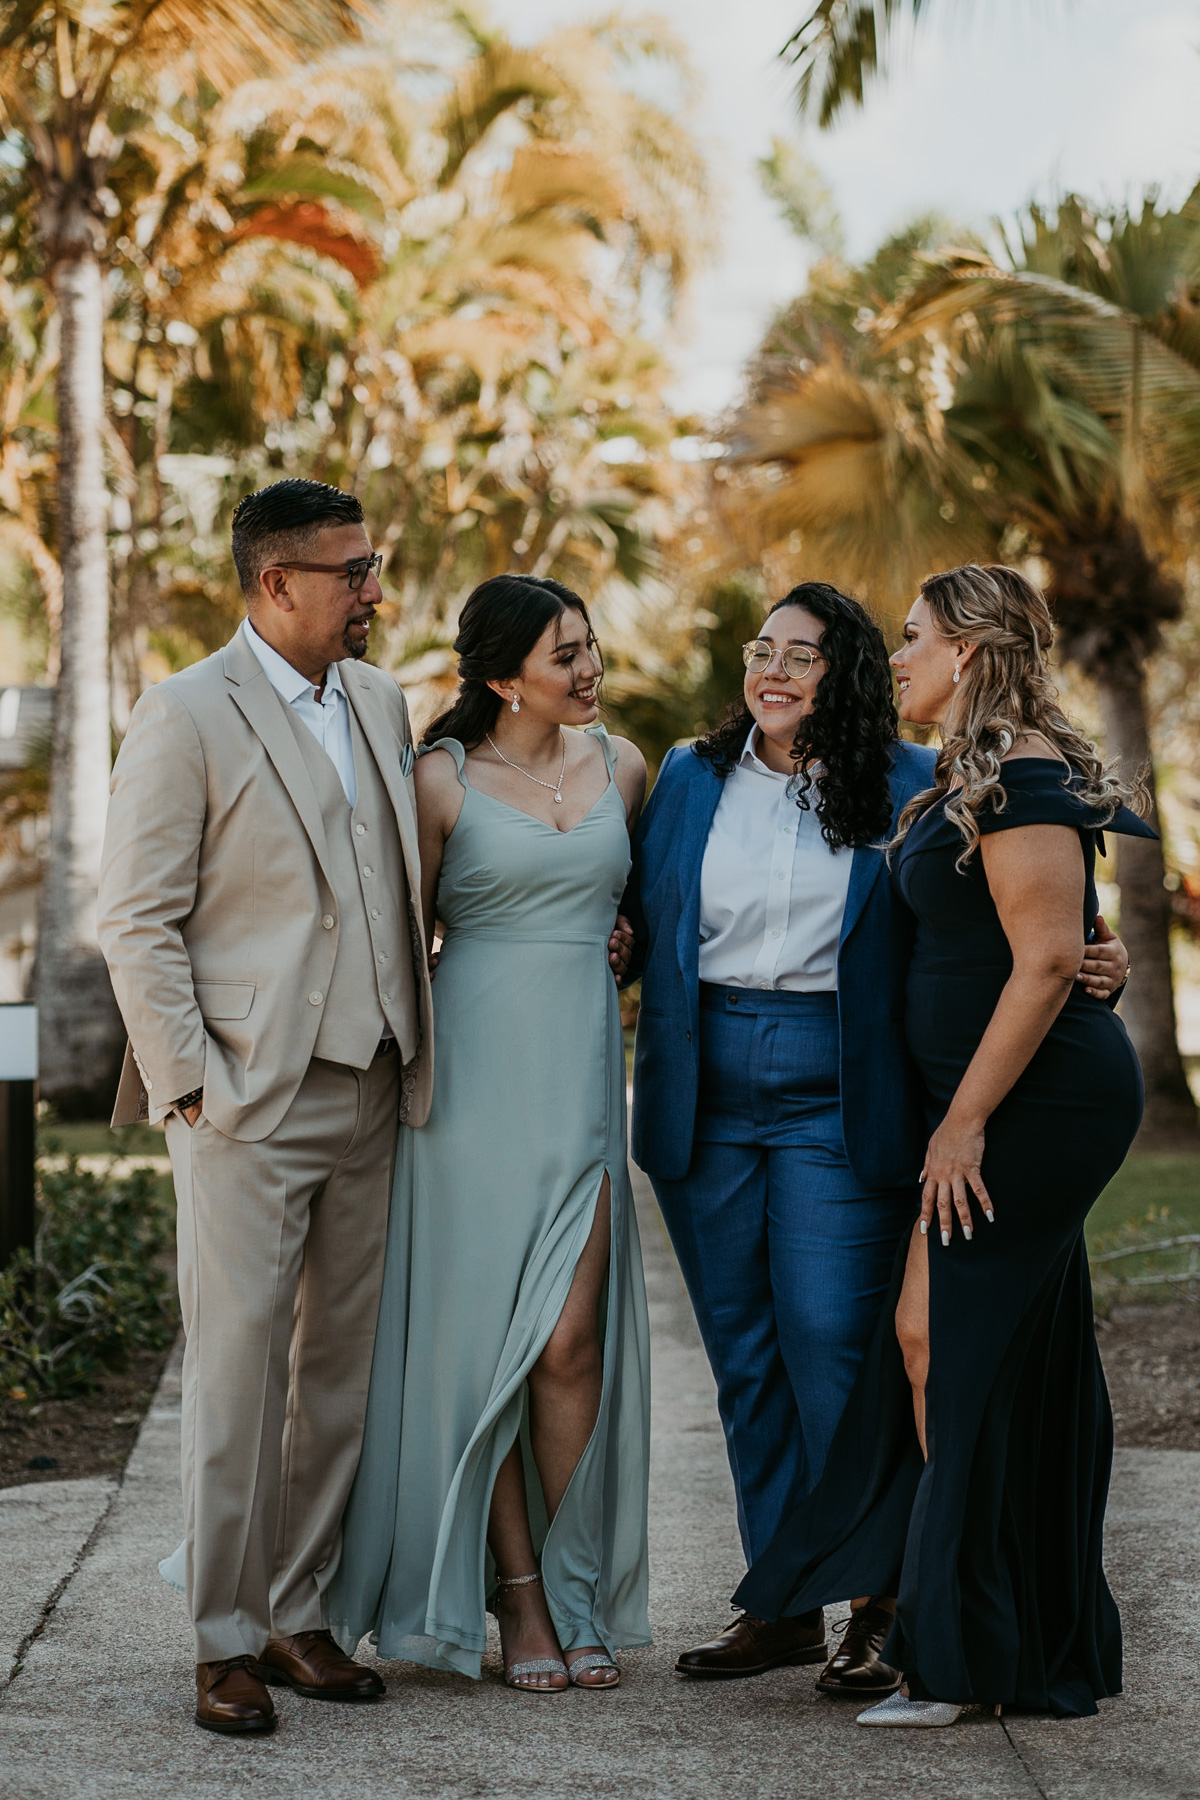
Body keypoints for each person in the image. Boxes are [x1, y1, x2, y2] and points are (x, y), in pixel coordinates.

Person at [626, 581, 1129, 1698]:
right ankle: (784, 1598)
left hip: (841, 1089)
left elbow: (1039, 914)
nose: (773, 671)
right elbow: (630, 901)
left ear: (847, 672)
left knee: (835, 1347)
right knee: (745, 1359)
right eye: (763, 651)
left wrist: (1105, 957)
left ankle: (881, 1605)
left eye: (802, 657)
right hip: (702, 1085)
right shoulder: (685, 777)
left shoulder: (917, 776)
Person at [97, 480, 433, 1736]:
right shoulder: (185, 712)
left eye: (373, 565)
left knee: (334, 1377)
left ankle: (300, 1618)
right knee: (238, 1376)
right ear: (276, 583)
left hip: (375, 1080)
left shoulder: (384, 701)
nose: (374, 591)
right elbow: (136, 917)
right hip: (244, 1095)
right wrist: (190, 1085)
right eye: (353, 572)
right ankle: (224, 1640)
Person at [329, 574, 651, 1694]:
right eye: (566, 654)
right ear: (505, 675)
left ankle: (576, 1590)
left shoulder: (625, 768)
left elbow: (641, 919)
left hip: (577, 1087)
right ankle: (519, 1600)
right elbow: (394, 944)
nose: (589, 668)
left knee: (570, 1343)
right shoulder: (440, 781)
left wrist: (625, 945)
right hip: (466, 1094)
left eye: (590, 647)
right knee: (485, 1360)